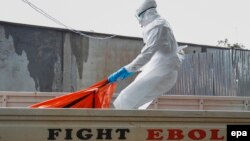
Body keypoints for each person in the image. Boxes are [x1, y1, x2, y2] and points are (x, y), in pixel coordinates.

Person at [108, 0, 182, 109]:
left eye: (139, 18)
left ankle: (125, 124)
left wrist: (126, 69)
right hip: (162, 70)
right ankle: (133, 124)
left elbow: (147, 53)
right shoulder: (160, 24)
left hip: (162, 71)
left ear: (146, 14)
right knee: (130, 102)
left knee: (125, 99)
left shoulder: (157, 26)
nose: (139, 22)